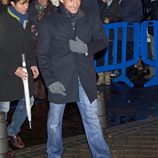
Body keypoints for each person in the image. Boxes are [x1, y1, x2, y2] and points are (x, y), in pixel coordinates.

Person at [36, 0, 111, 157]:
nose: (75, 3)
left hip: (84, 77)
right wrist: (50, 81)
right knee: (55, 122)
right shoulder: (49, 21)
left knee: (92, 119)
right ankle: (54, 154)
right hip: (60, 78)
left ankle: (102, 155)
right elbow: (42, 55)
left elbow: (102, 41)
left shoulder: (90, 16)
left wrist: (87, 48)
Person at [0, 0, 39, 153]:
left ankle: (11, 131)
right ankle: (1, 140)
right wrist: (12, 68)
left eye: (27, 2)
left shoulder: (26, 18)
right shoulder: (2, 21)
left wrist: (33, 63)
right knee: (3, 107)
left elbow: (28, 45)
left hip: (23, 67)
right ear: (12, 3)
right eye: (22, 3)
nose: (26, 6)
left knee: (28, 100)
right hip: (5, 71)